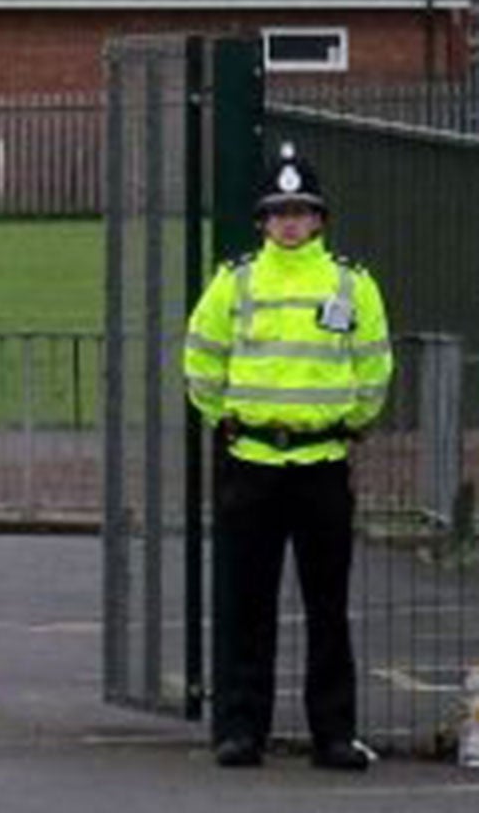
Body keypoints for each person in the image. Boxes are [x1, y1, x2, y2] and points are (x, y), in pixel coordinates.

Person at [182, 141, 393, 771]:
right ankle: (243, 731)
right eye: (279, 212)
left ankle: (333, 735)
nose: (291, 222)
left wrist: (349, 423)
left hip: (322, 465)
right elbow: (199, 356)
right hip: (251, 462)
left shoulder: (353, 283)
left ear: (321, 219)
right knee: (249, 606)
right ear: (263, 221)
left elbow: (375, 367)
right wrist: (225, 417)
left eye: (302, 211)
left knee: (327, 609)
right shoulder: (235, 280)